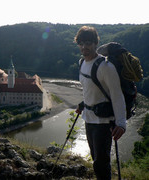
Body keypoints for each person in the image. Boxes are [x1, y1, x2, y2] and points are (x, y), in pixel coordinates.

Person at [74, 26, 126, 180]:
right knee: (96, 160)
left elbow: (117, 95)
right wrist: (83, 104)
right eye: (81, 43)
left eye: (88, 43)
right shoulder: (82, 62)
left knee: (101, 164)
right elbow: (91, 90)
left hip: (103, 122)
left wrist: (121, 123)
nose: (84, 47)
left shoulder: (105, 67)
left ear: (96, 43)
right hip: (88, 119)